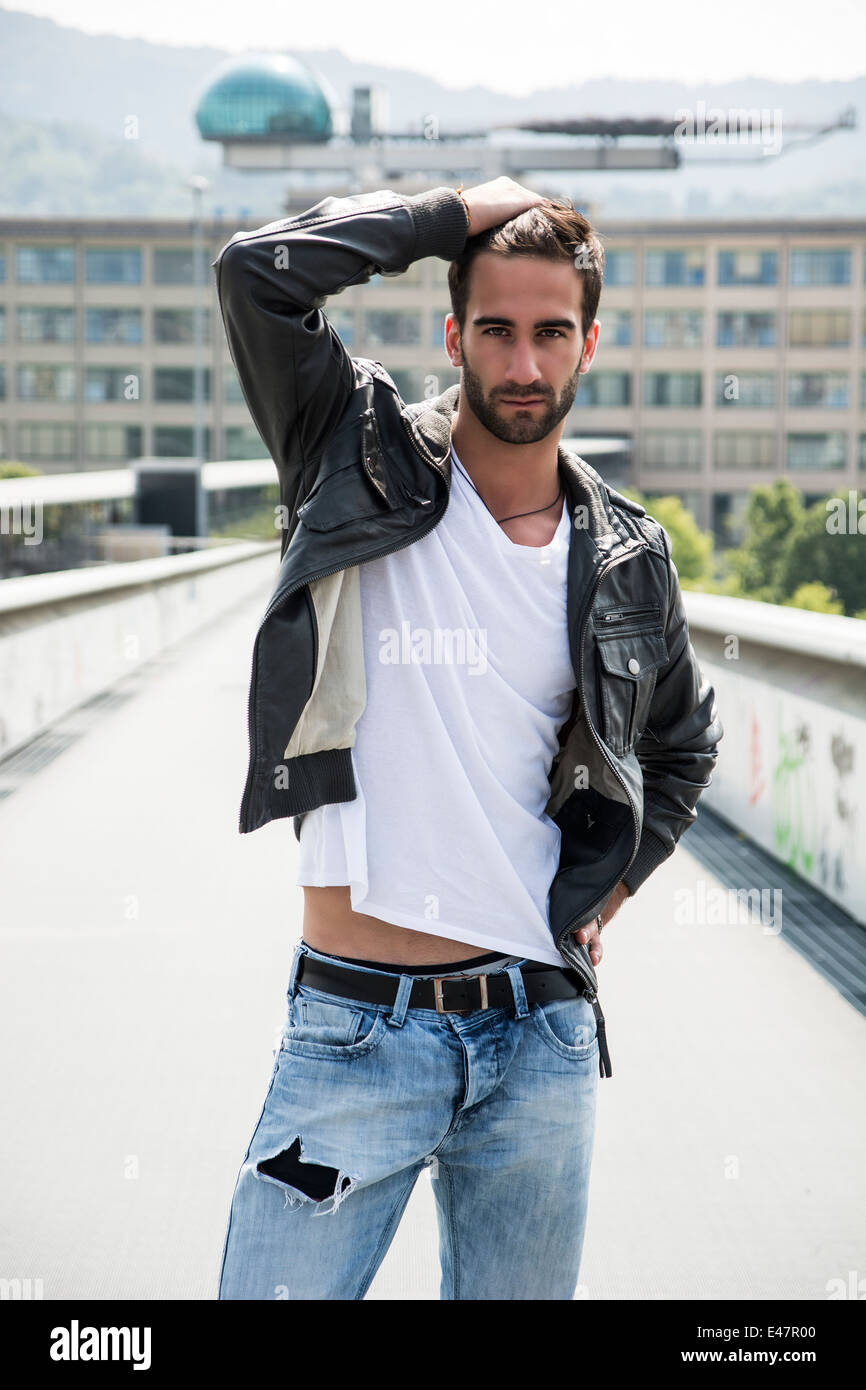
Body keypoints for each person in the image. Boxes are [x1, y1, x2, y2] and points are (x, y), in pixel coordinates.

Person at [213, 177, 722, 1299]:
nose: (524, 365)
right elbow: (257, 274)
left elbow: (682, 746)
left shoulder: (627, 555)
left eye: (551, 334)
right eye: (495, 330)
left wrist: (609, 891)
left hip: (539, 1038)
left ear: (588, 343)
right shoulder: (350, 450)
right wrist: (455, 209)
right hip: (355, 1028)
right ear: (454, 334)